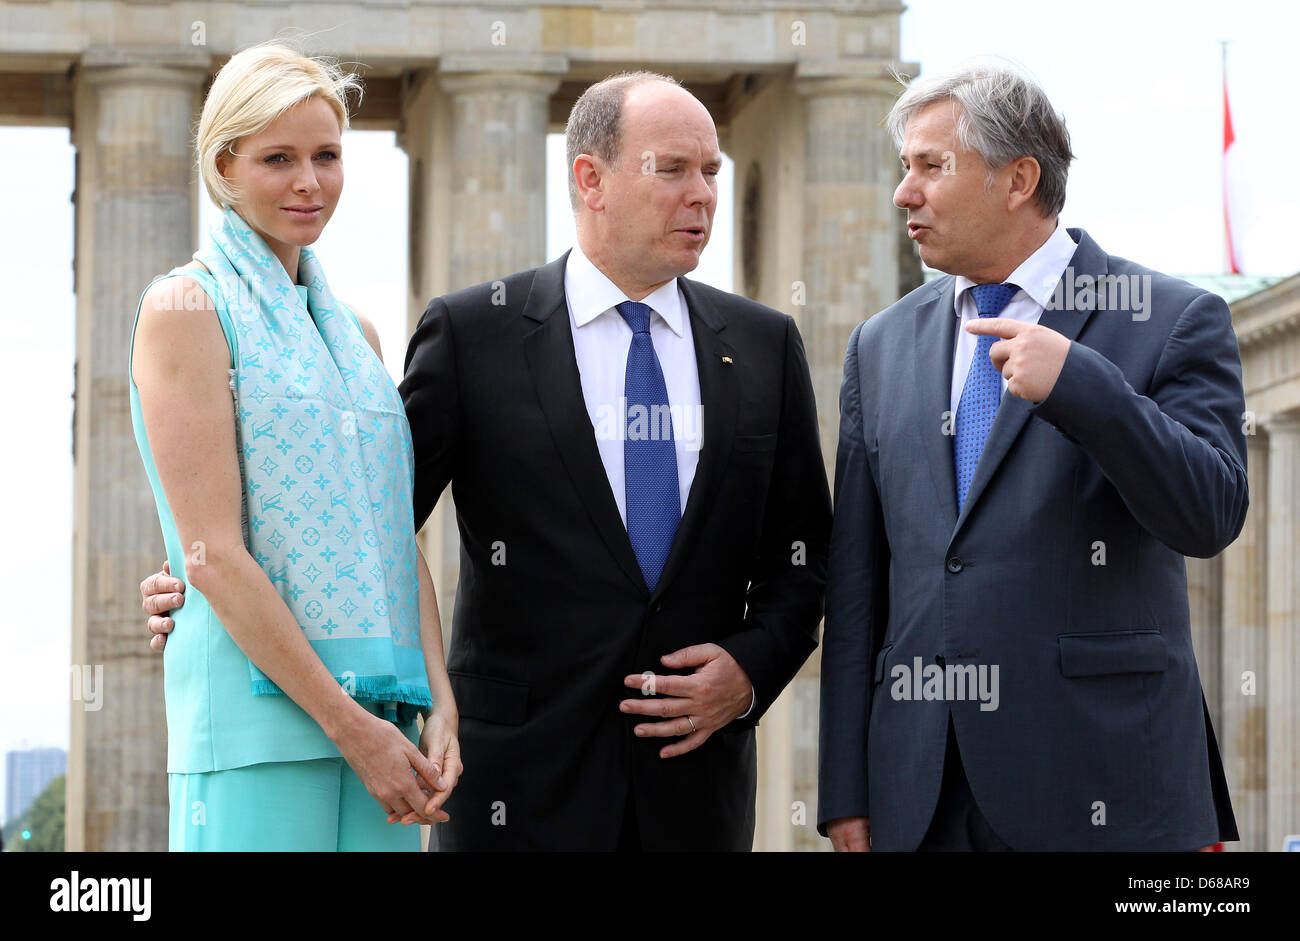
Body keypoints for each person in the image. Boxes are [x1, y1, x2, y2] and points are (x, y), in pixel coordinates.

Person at [144, 70, 832, 851]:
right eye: (672, 169)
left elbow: (805, 559)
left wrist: (746, 672)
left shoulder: (766, 346)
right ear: (590, 178)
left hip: (695, 792)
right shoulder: (475, 336)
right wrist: (194, 562)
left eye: (712, 171)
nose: (702, 193)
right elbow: (365, 515)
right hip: (510, 787)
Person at [818, 63, 1246, 852]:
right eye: (903, 168)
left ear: (1017, 179)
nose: (903, 193)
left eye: (930, 167)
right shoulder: (878, 345)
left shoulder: (1176, 318)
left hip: (1105, 788)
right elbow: (856, 582)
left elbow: (1210, 512)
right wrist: (846, 787)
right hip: (920, 797)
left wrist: (1086, 388)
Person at [130, 41, 460, 851]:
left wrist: (441, 699)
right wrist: (352, 728)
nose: (309, 182)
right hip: (255, 727)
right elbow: (210, 555)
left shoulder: (360, 334)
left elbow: (395, 535)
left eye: (327, 156)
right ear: (225, 166)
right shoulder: (183, 308)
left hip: (388, 719)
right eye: (278, 159)